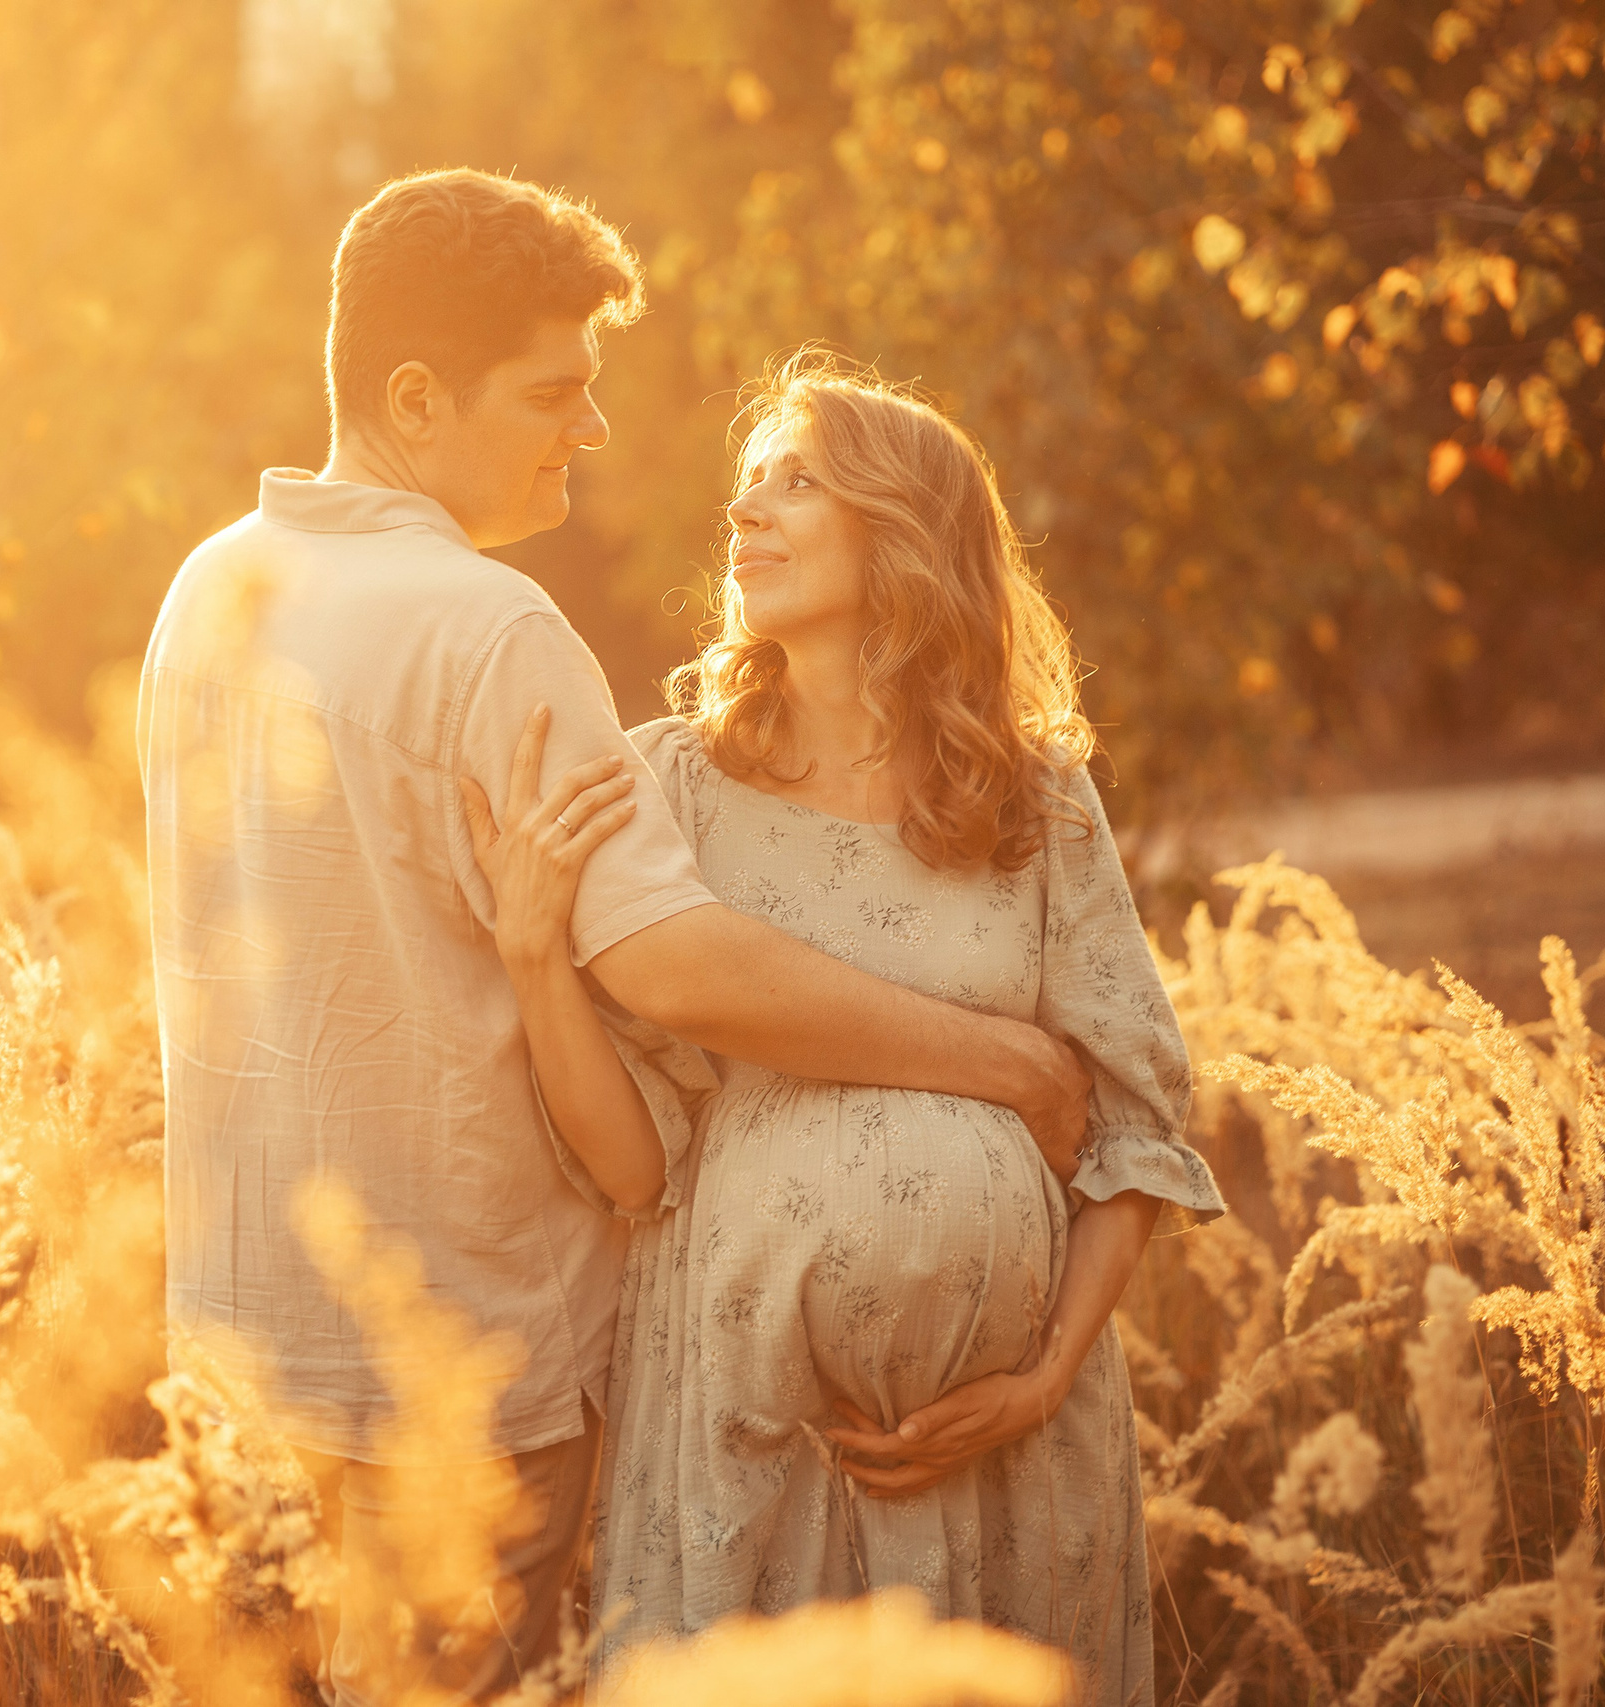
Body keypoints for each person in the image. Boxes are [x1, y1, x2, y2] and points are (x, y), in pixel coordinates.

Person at [137, 172, 1097, 1706]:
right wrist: (1009, 1064)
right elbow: (678, 964)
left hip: (252, 1348)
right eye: (552, 393)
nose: (586, 431)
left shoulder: (212, 593)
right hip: (457, 1367)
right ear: (414, 396)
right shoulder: (489, 629)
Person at [461, 351, 1226, 1704]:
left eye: (796, 484)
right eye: (745, 491)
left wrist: (1042, 1378)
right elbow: (634, 1168)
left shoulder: (1032, 798)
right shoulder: (673, 789)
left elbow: (1134, 1128)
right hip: (748, 1430)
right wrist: (533, 954)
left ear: (907, 531)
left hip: (1007, 1454)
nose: (746, 517)